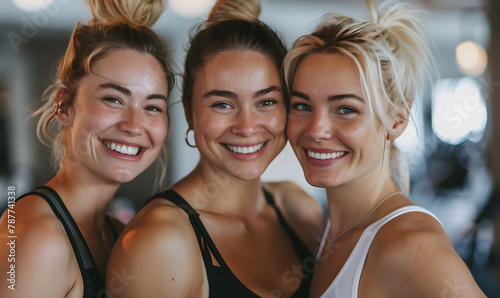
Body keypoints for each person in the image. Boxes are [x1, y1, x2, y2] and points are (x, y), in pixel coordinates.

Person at [106, 0, 324, 297]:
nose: (246, 127)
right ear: (188, 111)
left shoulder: (298, 208)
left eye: (266, 102)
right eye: (222, 104)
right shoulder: (158, 240)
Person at [283, 0, 486, 297]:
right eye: (302, 105)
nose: (316, 130)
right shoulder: (327, 229)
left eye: (345, 109)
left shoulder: (414, 248)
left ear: (397, 120)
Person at [0, 0, 174, 297]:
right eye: (113, 99)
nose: (134, 125)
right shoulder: (36, 237)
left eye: (153, 106)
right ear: (64, 105)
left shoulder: (120, 233)